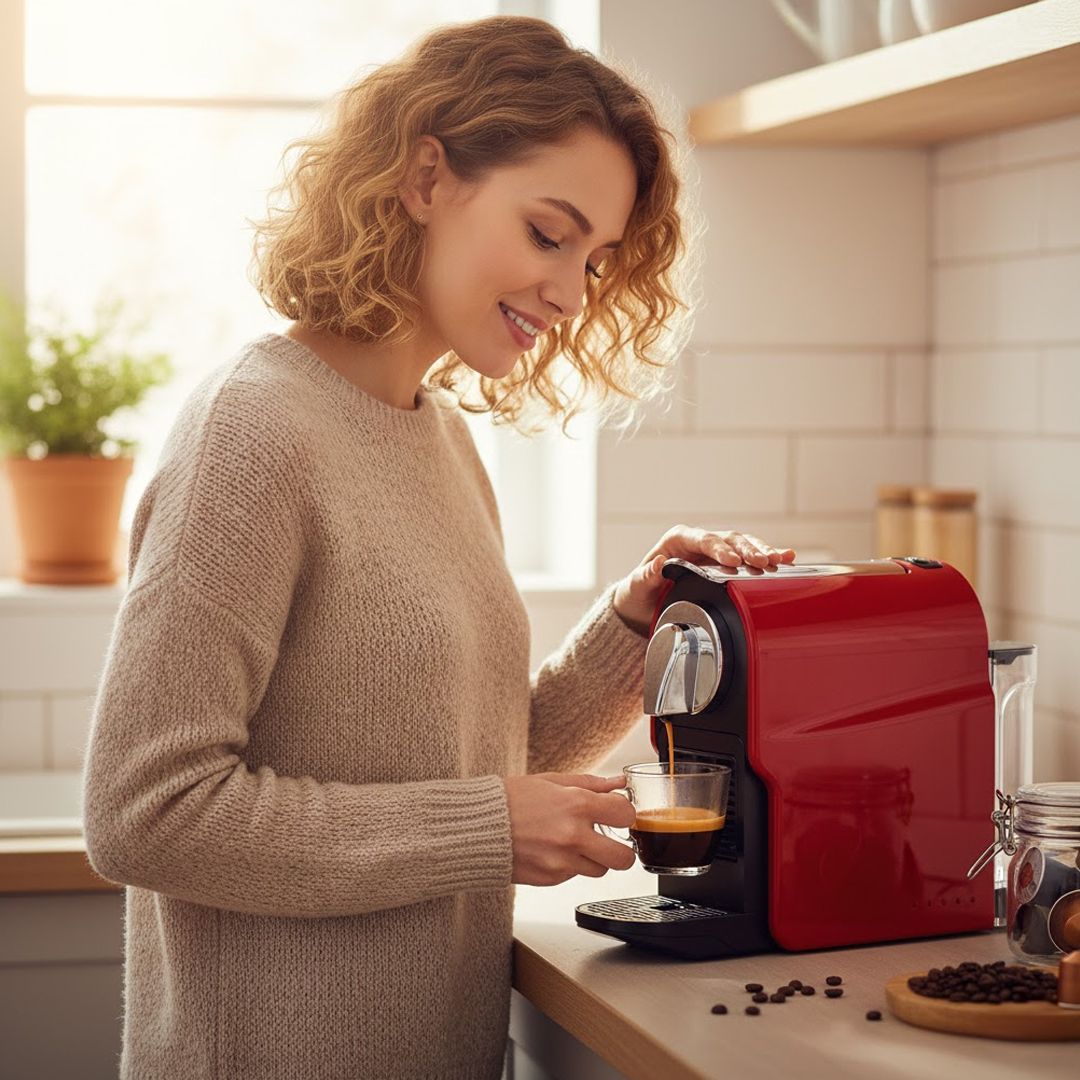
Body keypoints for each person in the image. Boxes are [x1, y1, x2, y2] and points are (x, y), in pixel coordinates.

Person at [82, 15, 795, 1080]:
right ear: (425, 177)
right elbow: (146, 815)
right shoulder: (253, 432)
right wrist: (485, 828)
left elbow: (473, 765)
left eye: (594, 259)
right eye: (549, 234)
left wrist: (628, 626)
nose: (570, 292)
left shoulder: (441, 438)